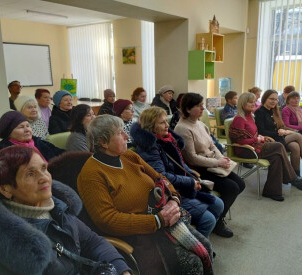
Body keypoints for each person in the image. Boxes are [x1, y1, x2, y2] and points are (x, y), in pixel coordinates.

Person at [77, 115, 213, 275]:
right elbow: (107, 220)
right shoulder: (91, 174)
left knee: (206, 247)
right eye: (120, 133)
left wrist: (174, 200)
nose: (127, 136)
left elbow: (160, 178)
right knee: (193, 264)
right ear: (103, 142)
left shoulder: (129, 156)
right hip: (140, 233)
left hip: (164, 220)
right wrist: (157, 220)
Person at [0, 146, 132, 275]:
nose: (44, 178)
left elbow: (91, 241)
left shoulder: (57, 207)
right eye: (30, 174)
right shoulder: (5, 241)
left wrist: (122, 270)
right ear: (5, 188)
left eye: (44, 168)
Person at [131, 106, 224, 238]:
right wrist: (190, 181)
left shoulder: (167, 139)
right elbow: (161, 177)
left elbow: (180, 164)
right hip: (171, 193)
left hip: (182, 186)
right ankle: (198, 248)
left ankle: (201, 237)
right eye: (162, 122)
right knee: (208, 220)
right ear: (151, 125)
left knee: (219, 205)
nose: (167, 125)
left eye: (166, 121)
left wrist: (192, 178)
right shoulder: (149, 148)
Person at [174, 93, 246, 237]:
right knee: (232, 187)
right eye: (199, 106)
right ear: (188, 109)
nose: (203, 108)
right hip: (198, 170)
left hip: (212, 163)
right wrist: (217, 162)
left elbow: (212, 145)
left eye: (202, 105)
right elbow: (192, 158)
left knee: (240, 184)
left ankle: (219, 216)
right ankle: (218, 223)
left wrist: (222, 159)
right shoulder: (182, 128)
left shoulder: (200, 123)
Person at [229, 92, 302, 202]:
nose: (253, 104)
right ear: (242, 103)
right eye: (250, 102)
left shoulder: (250, 116)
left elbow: (253, 134)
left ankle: (271, 191)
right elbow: (240, 141)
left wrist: (259, 137)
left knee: (276, 158)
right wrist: (256, 139)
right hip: (246, 150)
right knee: (279, 146)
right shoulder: (239, 119)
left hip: (255, 146)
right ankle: (292, 177)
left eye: (253, 102)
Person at [255, 90, 302, 181]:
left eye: (276, 99)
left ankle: (296, 175)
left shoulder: (274, 110)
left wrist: (284, 130)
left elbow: (281, 126)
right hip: (270, 140)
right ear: (264, 99)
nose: (274, 101)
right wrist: (282, 132)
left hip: (279, 137)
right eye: (271, 99)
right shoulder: (260, 112)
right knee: (298, 136)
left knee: (295, 146)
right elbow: (262, 131)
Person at [0, 111, 64, 161]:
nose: (27, 130)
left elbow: (60, 153)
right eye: (21, 127)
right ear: (9, 133)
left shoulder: (39, 142)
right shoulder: (3, 154)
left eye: (28, 126)